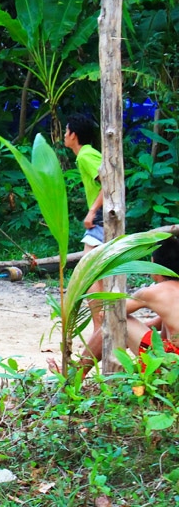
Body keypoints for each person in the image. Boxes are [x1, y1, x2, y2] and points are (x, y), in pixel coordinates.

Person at [61, 234, 179, 374]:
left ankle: (75, 375)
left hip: (171, 365)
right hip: (173, 362)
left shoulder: (152, 292)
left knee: (114, 319)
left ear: (153, 264)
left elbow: (108, 314)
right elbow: (158, 323)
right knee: (125, 323)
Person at [64, 114, 104, 253]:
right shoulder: (87, 154)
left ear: (73, 135)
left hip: (102, 214)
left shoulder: (85, 156)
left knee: (88, 266)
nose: (64, 135)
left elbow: (110, 185)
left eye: (66, 131)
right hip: (104, 212)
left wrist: (92, 211)